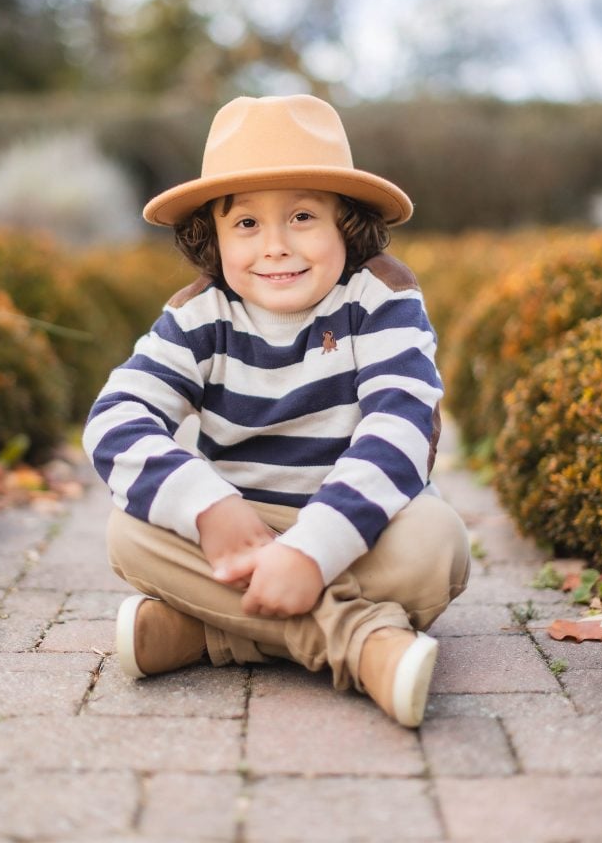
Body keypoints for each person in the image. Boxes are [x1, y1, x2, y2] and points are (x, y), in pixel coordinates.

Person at [83, 94, 470, 729]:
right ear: (211, 232)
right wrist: (207, 506)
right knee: (128, 532)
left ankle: (212, 634)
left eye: (301, 216)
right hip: (240, 526)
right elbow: (115, 415)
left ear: (345, 221)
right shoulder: (198, 314)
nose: (276, 246)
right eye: (246, 224)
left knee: (437, 542)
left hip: (355, 526)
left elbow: (399, 427)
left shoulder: (381, 296)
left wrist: (313, 551)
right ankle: (362, 642)